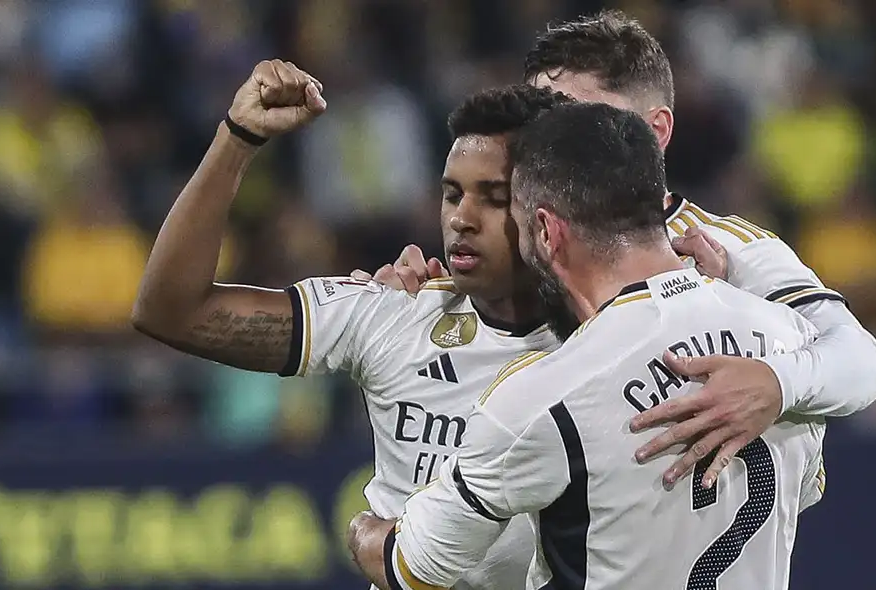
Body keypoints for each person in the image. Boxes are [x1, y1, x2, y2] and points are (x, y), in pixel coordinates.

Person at [355, 9, 876, 487]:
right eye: (541, 122)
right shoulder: (511, 237)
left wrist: (777, 381)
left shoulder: (729, 248)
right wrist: (411, 304)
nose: (550, 144)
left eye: (580, 119)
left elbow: (863, 363)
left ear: (655, 131)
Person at [132, 59, 604, 589]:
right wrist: (237, 139)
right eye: (452, 194)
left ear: (551, 208)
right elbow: (170, 310)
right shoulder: (393, 311)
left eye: (493, 199)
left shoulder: (615, 344)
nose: (460, 219)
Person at [348, 101, 827, 590]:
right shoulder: (791, 340)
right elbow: (804, 492)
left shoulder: (544, 394)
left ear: (548, 232)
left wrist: (364, 529)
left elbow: (413, 568)